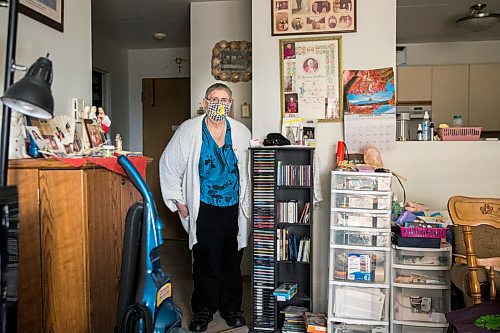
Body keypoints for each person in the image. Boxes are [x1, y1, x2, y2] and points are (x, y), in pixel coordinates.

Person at [159, 83, 251, 333]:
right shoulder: (190, 130)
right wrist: (178, 200)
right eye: (213, 99)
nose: (218, 104)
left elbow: (248, 171)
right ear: (205, 102)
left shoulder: (241, 132)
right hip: (203, 206)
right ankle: (203, 310)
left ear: (230, 104)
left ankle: (232, 309)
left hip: (234, 206)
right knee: (205, 259)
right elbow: (169, 165)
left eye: (224, 99)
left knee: (232, 259)